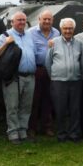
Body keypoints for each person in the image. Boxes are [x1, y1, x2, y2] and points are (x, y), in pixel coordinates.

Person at [0, 11, 37, 144]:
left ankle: (23, 131)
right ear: (12, 22)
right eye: (19, 20)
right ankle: (13, 133)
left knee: (26, 106)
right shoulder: (5, 35)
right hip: (13, 77)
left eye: (24, 20)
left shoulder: (29, 35)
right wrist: (6, 43)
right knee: (13, 106)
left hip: (30, 76)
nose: (22, 23)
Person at [46, 18, 83, 142]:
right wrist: (54, 76)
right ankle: (61, 134)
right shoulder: (53, 43)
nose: (68, 31)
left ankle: (73, 134)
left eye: (70, 28)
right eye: (65, 28)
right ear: (61, 29)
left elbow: (81, 61)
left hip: (75, 81)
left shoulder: (78, 43)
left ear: (74, 29)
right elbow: (48, 62)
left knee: (75, 109)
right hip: (58, 81)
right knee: (60, 109)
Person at [27, 10, 60, 138]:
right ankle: (32, 128)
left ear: (52, 20)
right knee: (34, 100)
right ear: (39, 19)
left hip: (51, 69)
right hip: (37, 69)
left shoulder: (56, 32)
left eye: (49, 19)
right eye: (44, 19)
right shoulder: (31, 33)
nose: (47, 21)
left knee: (48, 99)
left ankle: (47, 127)